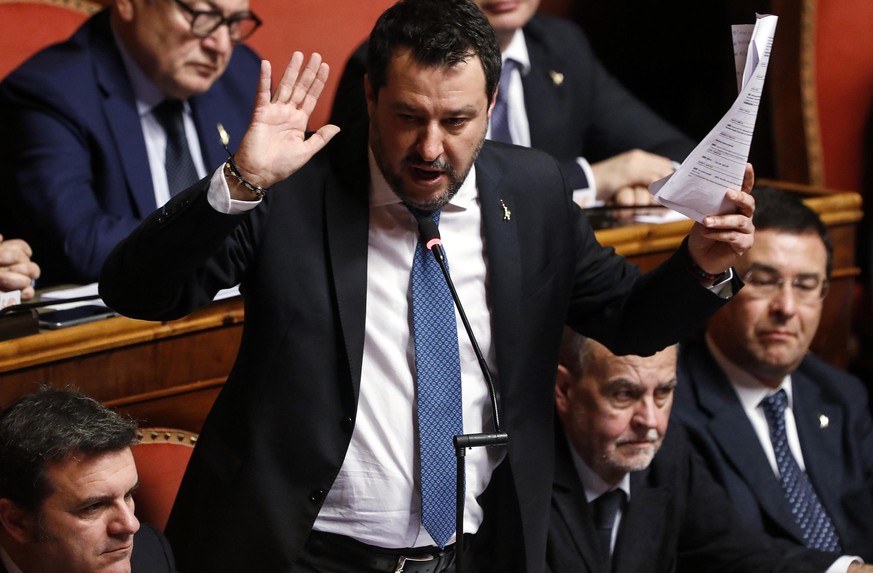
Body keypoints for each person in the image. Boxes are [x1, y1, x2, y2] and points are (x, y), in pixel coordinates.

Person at [98, 0, 756, 569]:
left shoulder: (532, 192)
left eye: (457, 120)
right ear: (369, 97)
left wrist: (699, 261)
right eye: (409, 116)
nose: (431, 148)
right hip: (295, 551)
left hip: (468, 552)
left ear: (491, 106)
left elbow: (628, 319)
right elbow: (138, 291)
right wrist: (237, 183)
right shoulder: (292, 189)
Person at [550, 329, 871, 573]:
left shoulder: (667, 452)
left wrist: (850, 571)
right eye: (623, 394)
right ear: (564, 390)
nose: (650, 421)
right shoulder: (514, 477)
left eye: (663, 392)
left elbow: (738, 553)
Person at [329, 0, 695, 207]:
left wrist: (647, 183)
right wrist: (591, 180)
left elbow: (674, 150)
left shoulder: (560, 46)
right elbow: (430, 187)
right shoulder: (390, 65)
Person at [0, 0, 263, 286]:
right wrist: (220, 232)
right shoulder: (50, 93)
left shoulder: (243, 74)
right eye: (203, 16)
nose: (221, 45)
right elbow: (81, 245)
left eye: (234, 22)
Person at [674, 187, 873, 563]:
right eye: (764, 281)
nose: (786, 307)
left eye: (805, 285)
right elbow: (720, 556)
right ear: (723, 284)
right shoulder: (672, 406)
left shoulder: (842, 395)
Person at [0, 387, 175, 573]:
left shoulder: (151, 553)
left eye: (129, 495)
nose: (131, 525)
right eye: (94, 506)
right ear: (18, 522)